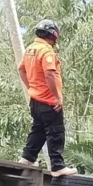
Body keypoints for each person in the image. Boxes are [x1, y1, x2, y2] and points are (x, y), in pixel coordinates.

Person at [17, 19, 77, 177]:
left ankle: (28, 157)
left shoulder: (31, 49)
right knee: (56, 132)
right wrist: (57, 97)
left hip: (35, 100)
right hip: (49, 101)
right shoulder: (46, 51)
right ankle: (57, 166)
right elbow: (49, 74)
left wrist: (31, 87)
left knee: (39, 129)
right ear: (53, 35)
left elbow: (21, 70)